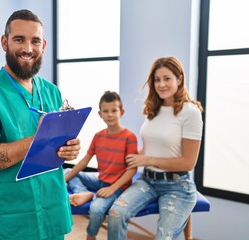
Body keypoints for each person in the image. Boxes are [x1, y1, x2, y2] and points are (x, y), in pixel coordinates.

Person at [0, 9, 81, 240]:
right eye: (19, 39)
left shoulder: (52, 92)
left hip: (51, 209)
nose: (27, 48)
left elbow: (56, 149)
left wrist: (70, 148)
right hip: (10, 218)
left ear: (43, 45)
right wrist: (37, 140)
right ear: (5, 42)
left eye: (35, 41)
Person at [107, 56, 204, 240]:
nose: (161, 84)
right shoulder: (154, 108)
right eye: (157, 79)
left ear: (179, 79)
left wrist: (146, 160)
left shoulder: (190, 112)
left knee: (164, 236)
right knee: (115, 214)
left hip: (177, 186)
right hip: (148, 181)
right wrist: (130, 157)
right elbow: (152, 147)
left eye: (167, 78)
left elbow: (188, 162)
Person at [64, 91, 138, 240]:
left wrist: (112, 189)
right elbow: (84, 161)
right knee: (67, 171)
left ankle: (90, 236)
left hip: (118, 186)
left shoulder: (129, 137)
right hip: (100, 179)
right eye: (106, 111)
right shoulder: (98, 136)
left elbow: (132, 170)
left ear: (121, 112)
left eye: (114, 110)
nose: (110, 114)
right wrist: (64, 180)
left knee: (96, 209)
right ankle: (85, 193)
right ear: (100, 114)